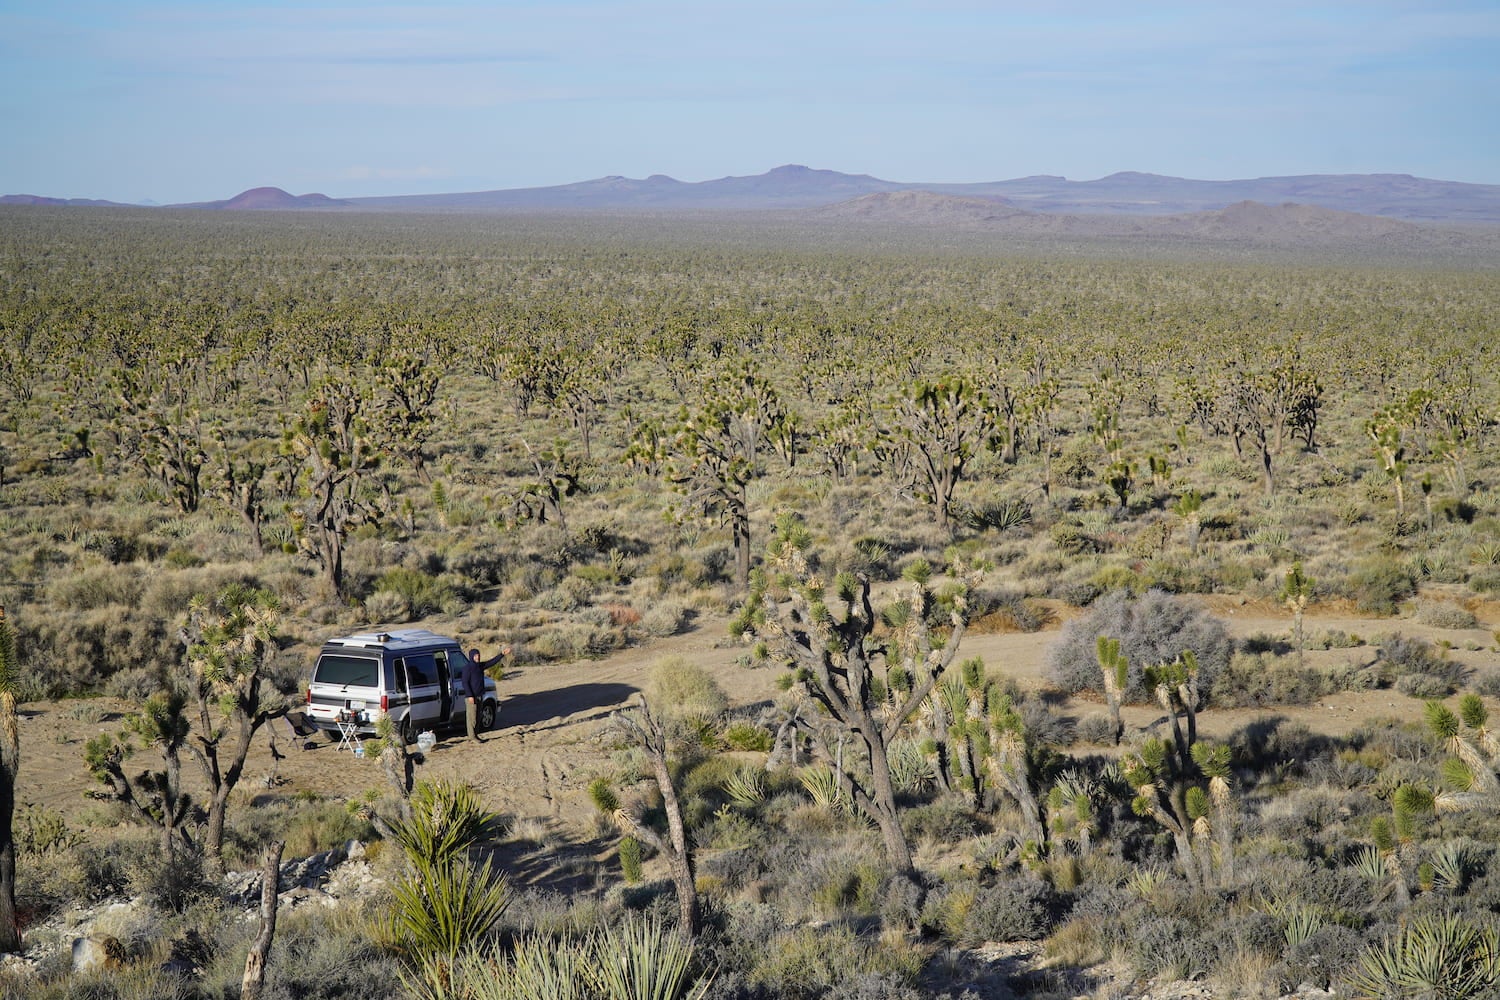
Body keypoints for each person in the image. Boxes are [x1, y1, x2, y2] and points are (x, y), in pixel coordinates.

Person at [462, 645, 508, 743]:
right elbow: (465, 683)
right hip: (472, 697)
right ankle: (472, 737)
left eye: (478, 655)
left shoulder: (480, 666)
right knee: (472, 718)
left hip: (480, 695)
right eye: (475, 656)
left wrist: (502, 654)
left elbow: (492, 662)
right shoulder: (467, 668)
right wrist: (470, 695)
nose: (477, 657)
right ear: (471, 657)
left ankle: (475, 735)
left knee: (478, 717)